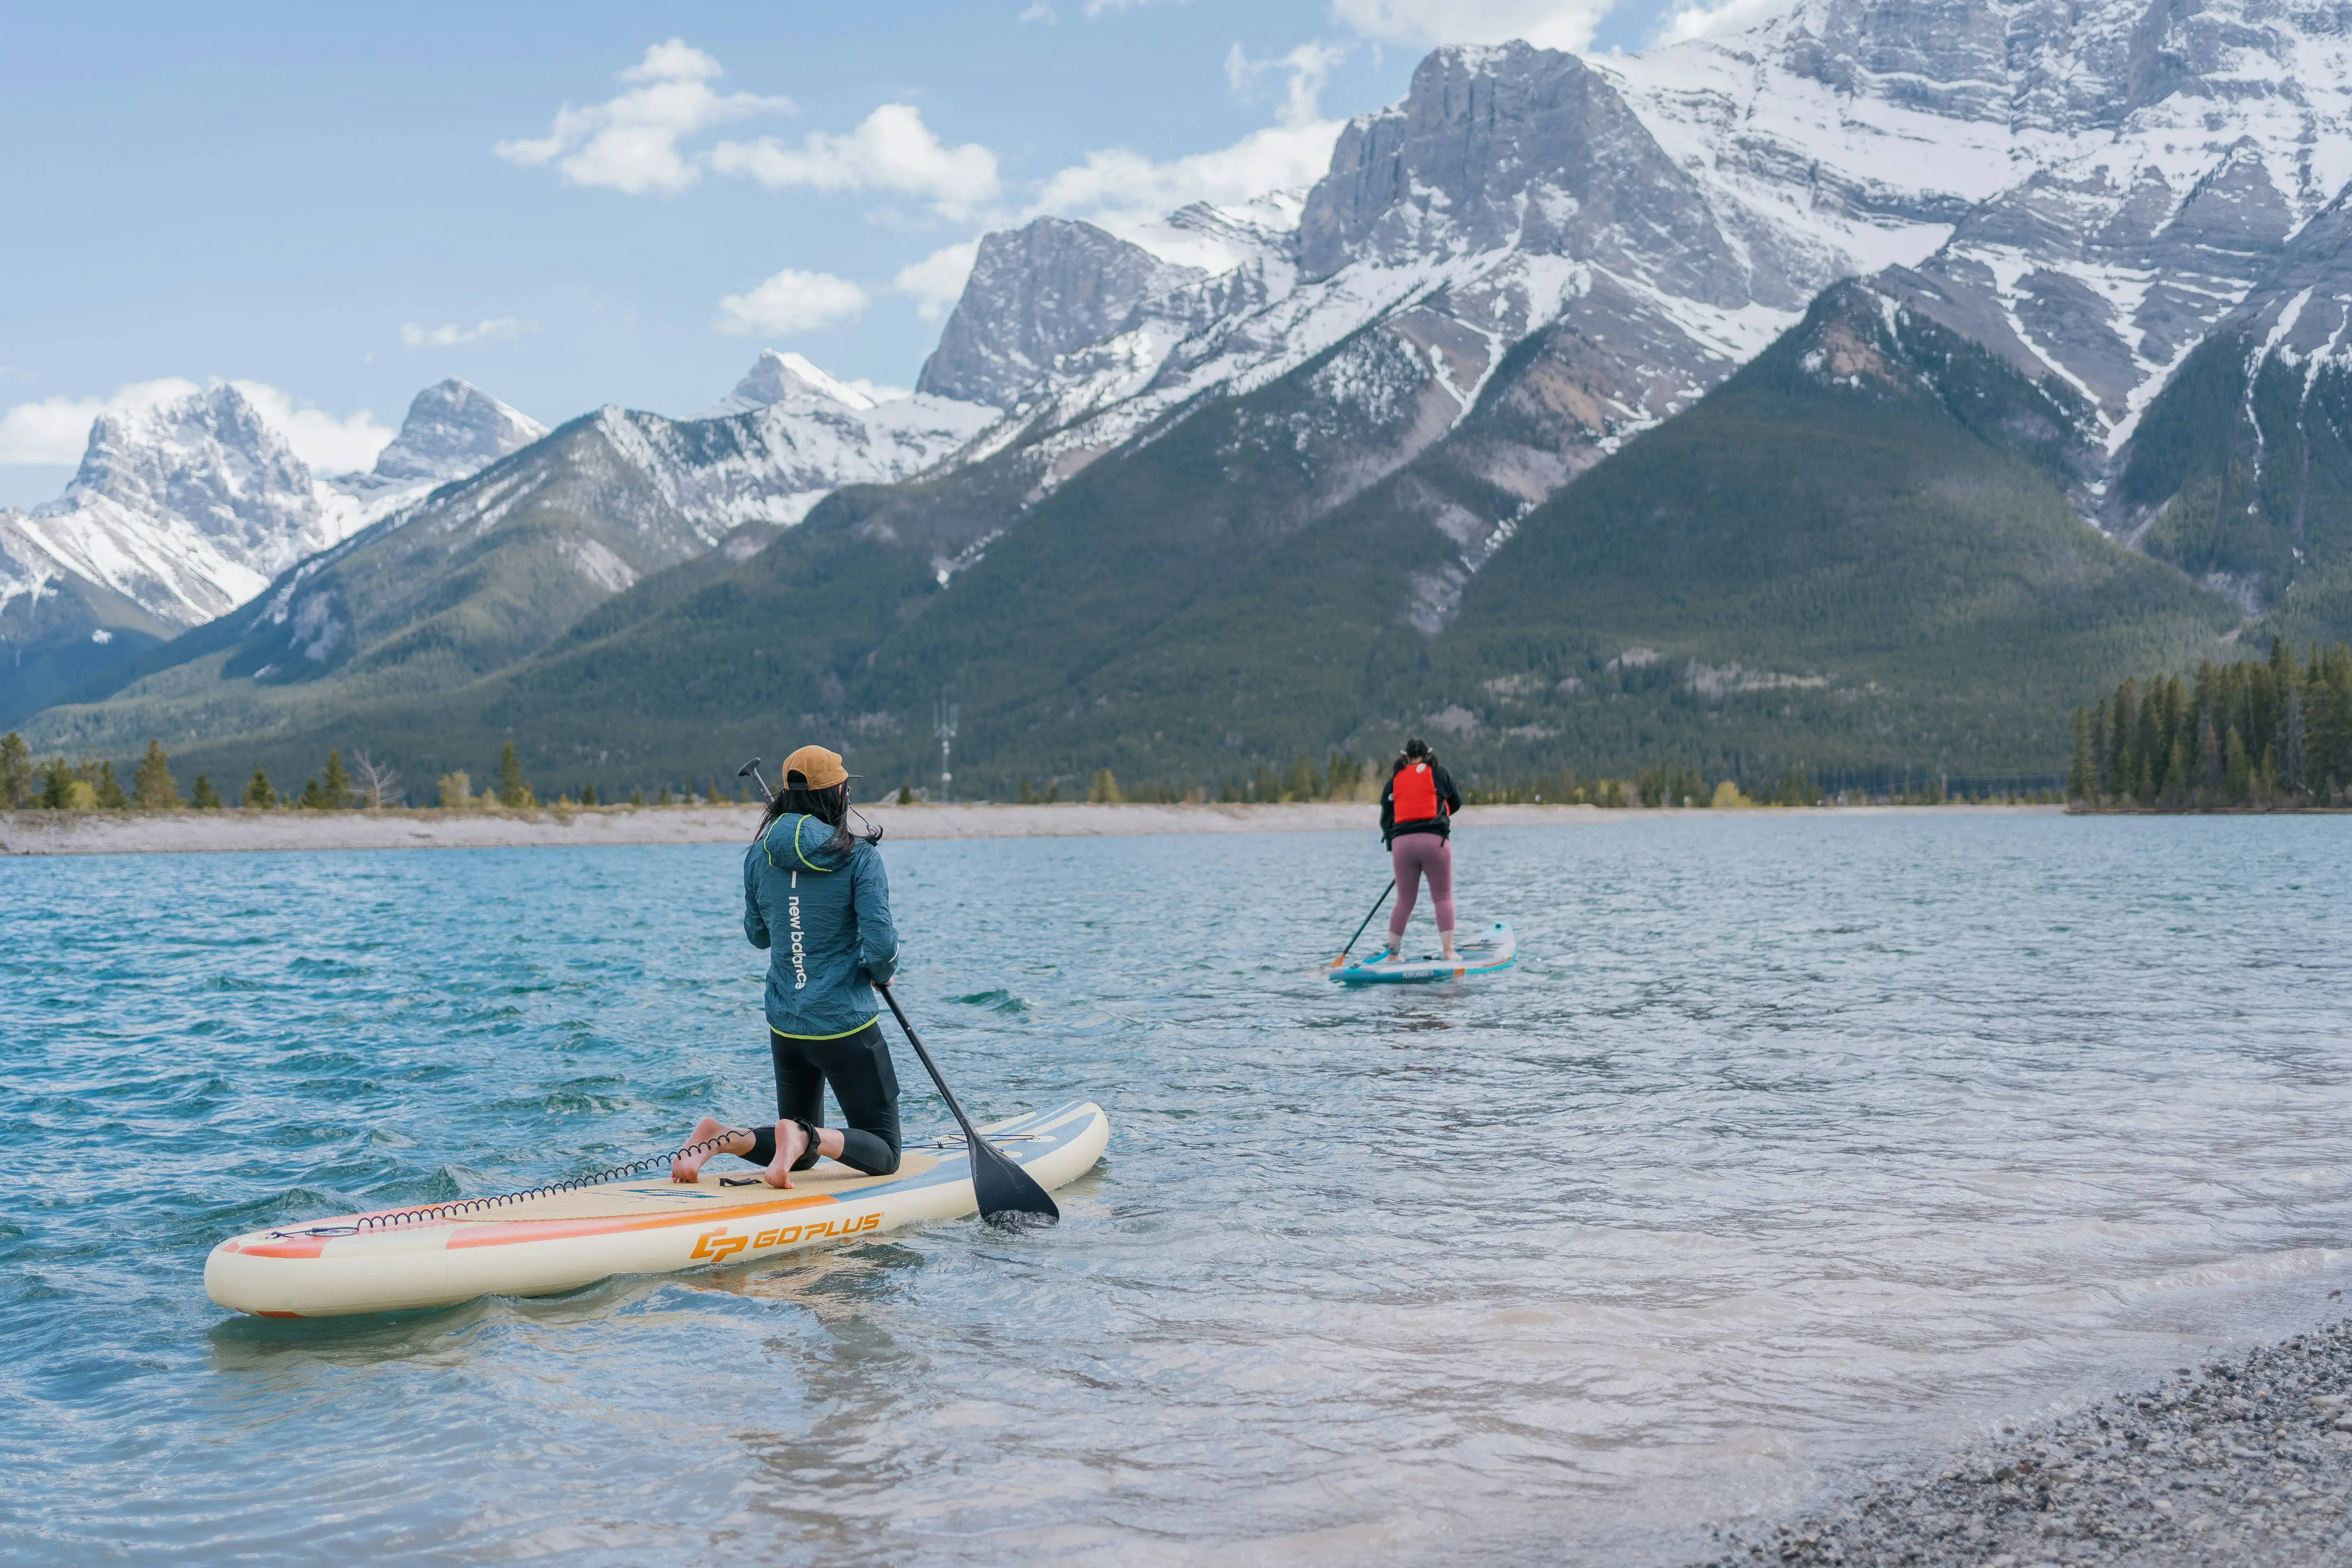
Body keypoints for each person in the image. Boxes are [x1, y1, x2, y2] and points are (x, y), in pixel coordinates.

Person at [672, 745, 902, 1187]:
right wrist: (882, 969)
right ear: (838, 796)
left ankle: (719, 1139)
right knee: (887, 1150)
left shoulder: (759, 855)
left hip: (787, 1025)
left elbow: (759, 935)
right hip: (843, 1025)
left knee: (797, 1158)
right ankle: (803, 1134)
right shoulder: (859, 858)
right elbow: (881, 947)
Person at [1376, 736, 1464, 963]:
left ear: (1405, 757)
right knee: (1443, 898)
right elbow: (1456, 802)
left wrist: (1395, 845)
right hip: (1434, 842)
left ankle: (1393, 955)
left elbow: (1386, 818)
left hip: (1402, 846)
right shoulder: (1440, 773)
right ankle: (1448, 952)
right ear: (1428, 755)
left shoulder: (1394, 780)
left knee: (1404, 901)